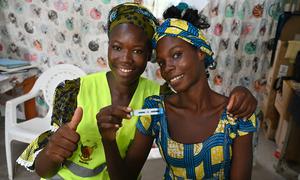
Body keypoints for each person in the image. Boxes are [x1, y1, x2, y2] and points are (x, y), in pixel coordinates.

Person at [17, 2, 256, 179]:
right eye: (117, 47)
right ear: (108, 47)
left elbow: (195, 102)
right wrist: (52, 151)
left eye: (138, 51)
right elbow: (44, 170)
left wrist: (243, 93)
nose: (126, 59)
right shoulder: (77, 90)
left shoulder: (160, 98)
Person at [97, 3, 257, 180]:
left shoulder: (235, 113)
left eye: (176, 55)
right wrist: (108, 140)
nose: (168, 68)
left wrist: (243, 91)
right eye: (162, 62)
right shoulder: (156, 111)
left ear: (200, 52)